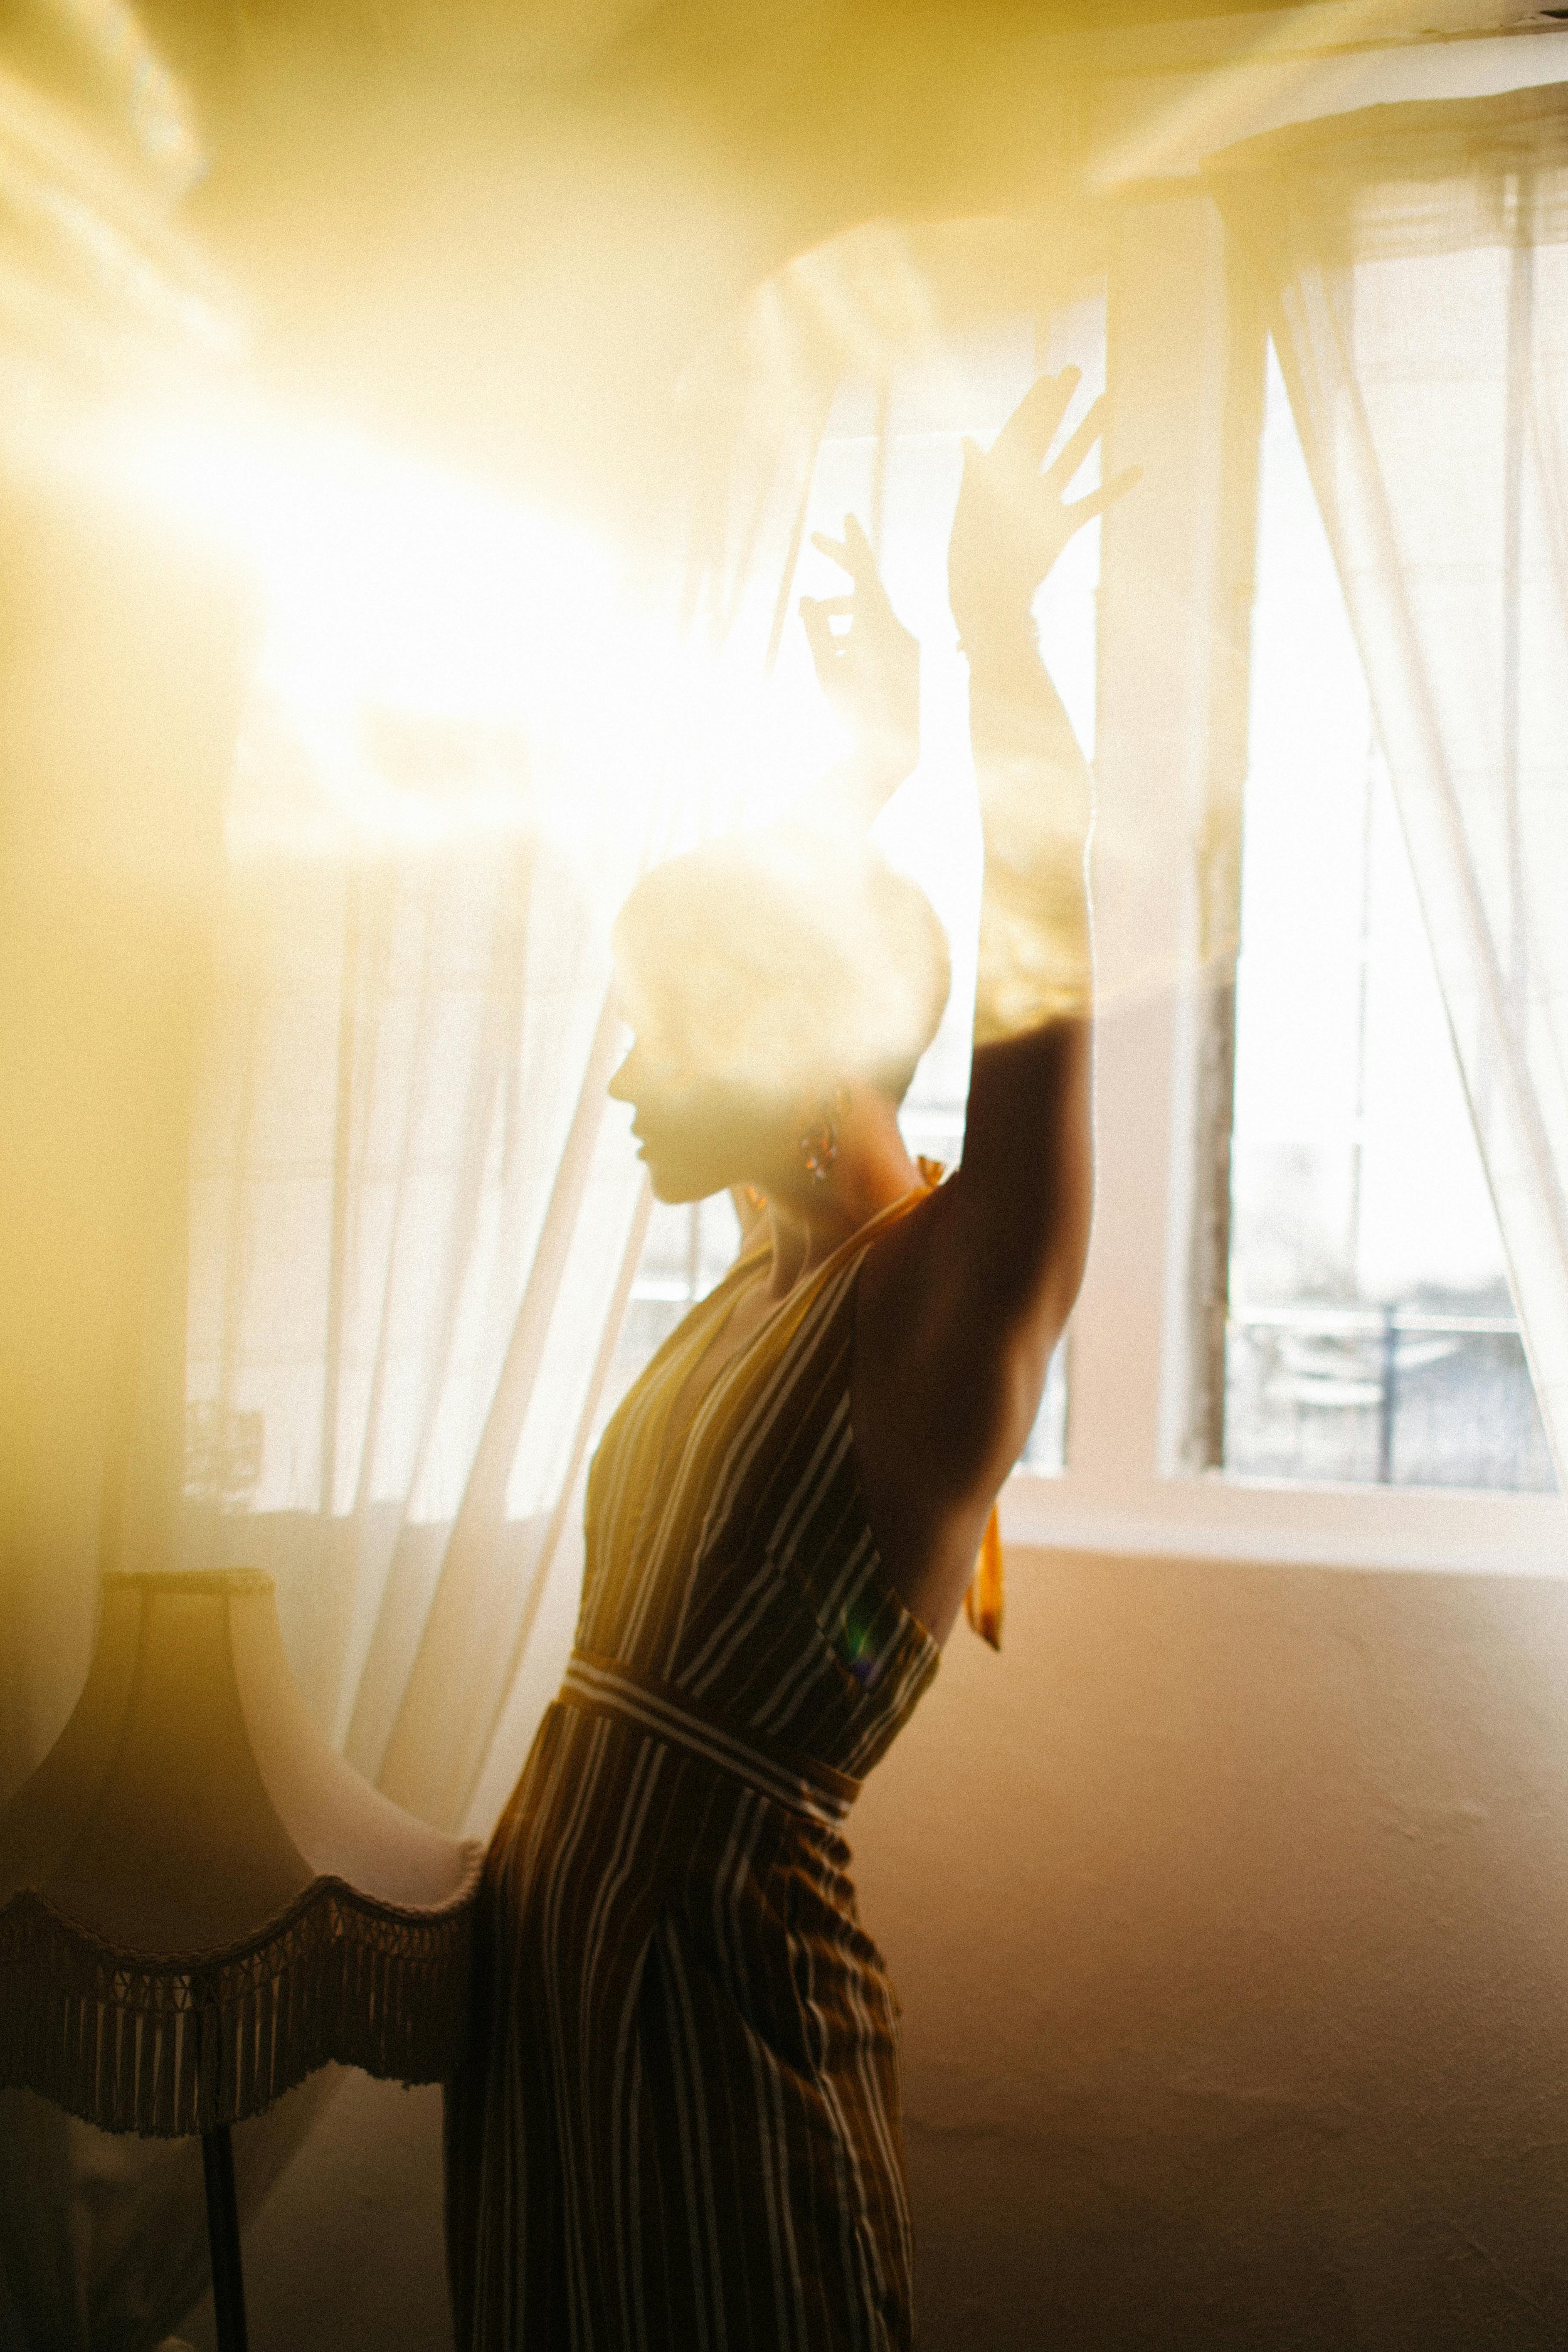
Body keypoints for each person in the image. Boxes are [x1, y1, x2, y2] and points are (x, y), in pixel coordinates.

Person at [445, 366, 1138, 2350]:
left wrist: (1001, 644)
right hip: (564, 2009)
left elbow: (1035, 977)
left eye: (660, 1038)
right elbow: (787, 954)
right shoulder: (771, 1272)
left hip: (720, 2014)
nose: (621, 1080)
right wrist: (857, 772)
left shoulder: (936, 1307)